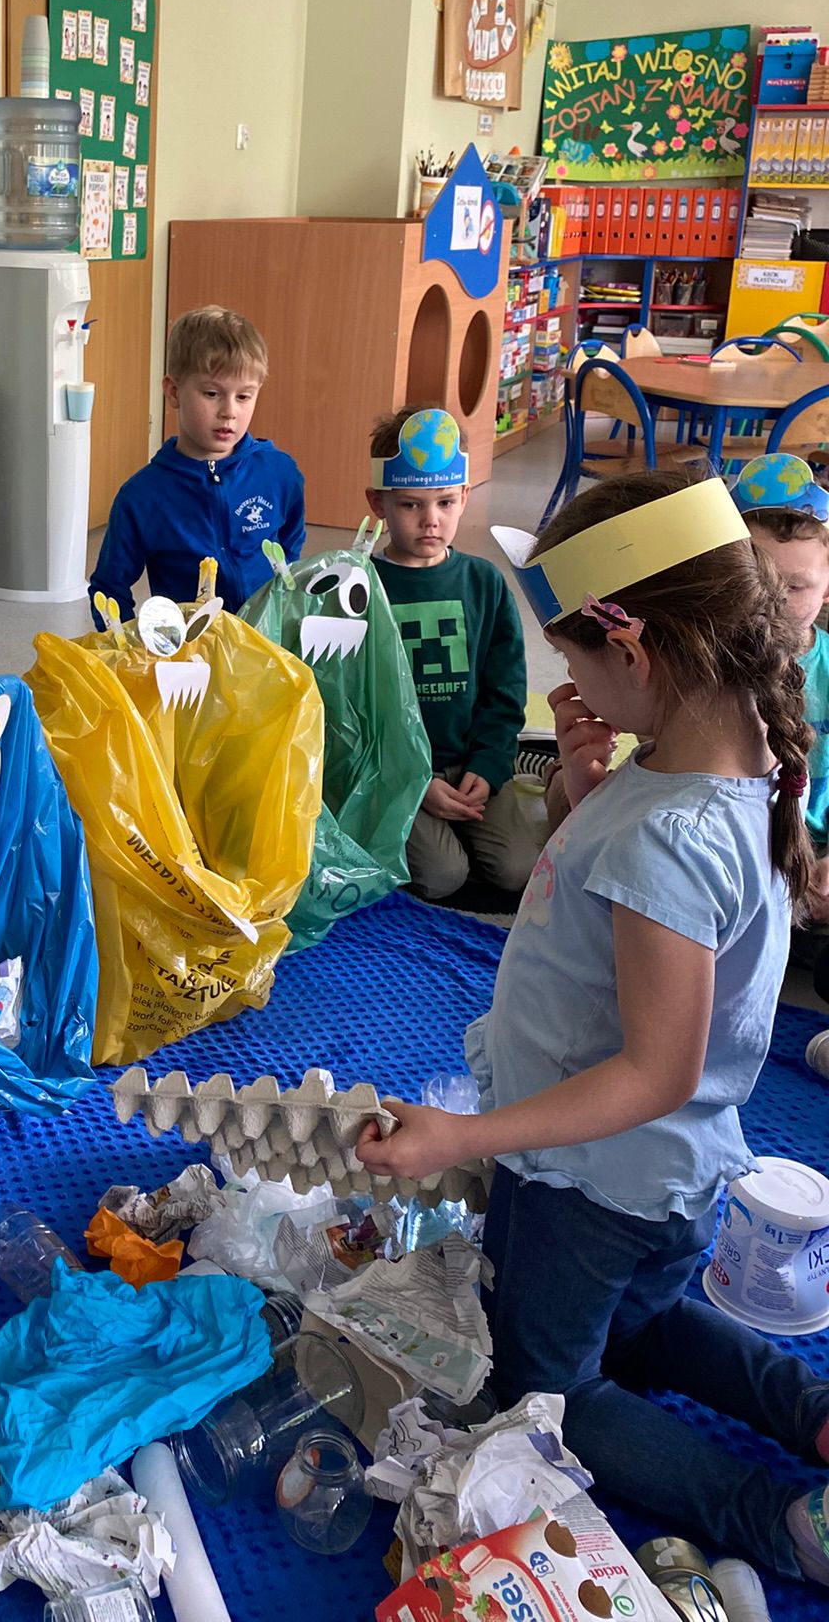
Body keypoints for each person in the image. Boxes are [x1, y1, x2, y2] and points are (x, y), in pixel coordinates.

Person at [358, 469, 829, 1584]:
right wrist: (580, 789)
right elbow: (635, 921)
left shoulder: (668, 835)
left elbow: (654, 1067)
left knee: (548, 1387)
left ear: (638, 651)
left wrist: (463, 1135)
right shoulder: (734, 757)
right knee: (648, 1325)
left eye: (576, 660)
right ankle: (809, 1412)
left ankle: (776, 1517)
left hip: (589, 1182)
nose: (568, 684)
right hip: (666, 1180)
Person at [366, 406, 542, 901]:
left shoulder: (485, 583)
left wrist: (488, 766)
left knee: (517, 868)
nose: (431, 520)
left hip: (471, 763)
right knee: (443, 876)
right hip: (398, 774)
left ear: (465, 496)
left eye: (445, 502)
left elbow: (505, 689)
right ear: (378, 503)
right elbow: (357, 708)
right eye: (410, 505)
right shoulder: (362, 588)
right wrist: (414, 783)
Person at [88, 305, 305, 622]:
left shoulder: (279, 472)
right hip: (190, 646)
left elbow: (290, 546)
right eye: (212, 393)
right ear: (174, 391)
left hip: (266, 639)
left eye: (244, 397)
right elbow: (109, 587)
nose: (229, 412)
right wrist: (127, 645)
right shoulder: (142, 496)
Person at [732, 452, 829, 1001]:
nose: (772, 606)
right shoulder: (710, 669)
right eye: (758, 582)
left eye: (796, 588)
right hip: (743, 860)